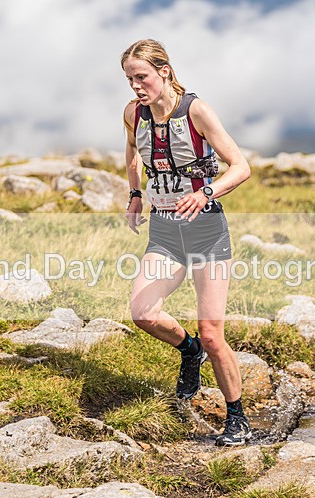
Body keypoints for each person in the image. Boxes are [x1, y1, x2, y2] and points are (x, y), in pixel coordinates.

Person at [120, 39, 253, 446]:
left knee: (214, 333)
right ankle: (188, 349)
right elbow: (130, 152)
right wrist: (136, 195)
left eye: (141, 77)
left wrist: (206, 192)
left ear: (164, 70)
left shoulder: (196, 110)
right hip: (164, 233)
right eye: (129, 79)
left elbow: (241, 166)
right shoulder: (133, 114)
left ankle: (238, 419)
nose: (136, 87)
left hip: (207, 234)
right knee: (142, 313)